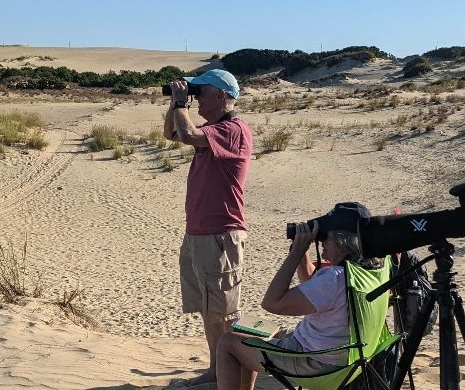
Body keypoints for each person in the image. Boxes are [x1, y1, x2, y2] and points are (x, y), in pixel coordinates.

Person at [213, 220, 385, 390]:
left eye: (327, 236)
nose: (322, 241)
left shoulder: (335, 278)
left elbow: (272, 303)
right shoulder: (369, 274)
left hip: (314, 362)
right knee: (247, 329)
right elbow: (314, 289)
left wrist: (296, 253)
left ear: (342, 241)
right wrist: (303, 255)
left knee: (227, 344)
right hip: (346, 360)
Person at [164, 69, 254, 387]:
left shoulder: (233, 129)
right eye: (195, 91)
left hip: (220, 235)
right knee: (208, 309)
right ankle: (217, 367)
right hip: (199, 234)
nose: (196, 97)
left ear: (221, 96)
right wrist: (176, 103)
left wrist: (179, 103)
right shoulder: (212, 129)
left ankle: (231, 372)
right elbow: (172, 134)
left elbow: (186, 134)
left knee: (224, 311)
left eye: (201, 91)